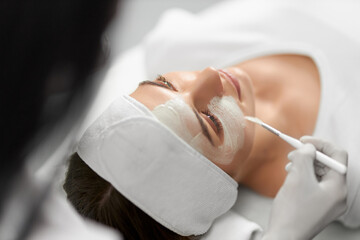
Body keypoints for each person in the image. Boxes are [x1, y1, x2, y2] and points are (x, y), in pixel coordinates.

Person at [63, 0, 360, 239]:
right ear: (218, 188)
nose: (209, 75)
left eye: (165, 83)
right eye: (210, 122)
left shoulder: (177, 44)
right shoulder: (349, 174)